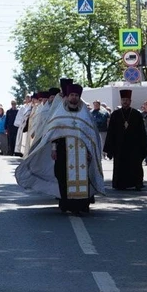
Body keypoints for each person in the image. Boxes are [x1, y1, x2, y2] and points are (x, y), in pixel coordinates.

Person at [15, 83, 104, 215]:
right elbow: (52, 133)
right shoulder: (60, 112)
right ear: (67, 97)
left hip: (82, 152)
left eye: (76, 95)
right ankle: (66, 202)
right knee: (62, 176)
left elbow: (91, 135)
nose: (74, 98)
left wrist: (89, 151)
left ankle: (82, 204)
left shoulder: (85, 114)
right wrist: (54, 149)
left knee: (82, 177)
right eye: (72, 95)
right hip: (63, 150)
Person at [104, 89, 147, 191]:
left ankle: (137, 183)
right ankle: (120, 184)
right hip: (119, 146)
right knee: (120, 165)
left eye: (127, 100)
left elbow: (142, 131)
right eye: (123, 100)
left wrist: (144, 146)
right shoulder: (115, 114)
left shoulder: (136, 114)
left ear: (130, 101)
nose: (125, 102)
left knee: (135, 165)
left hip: (134, 146)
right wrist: (109, 149)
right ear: (121, 101)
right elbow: (111, 132)